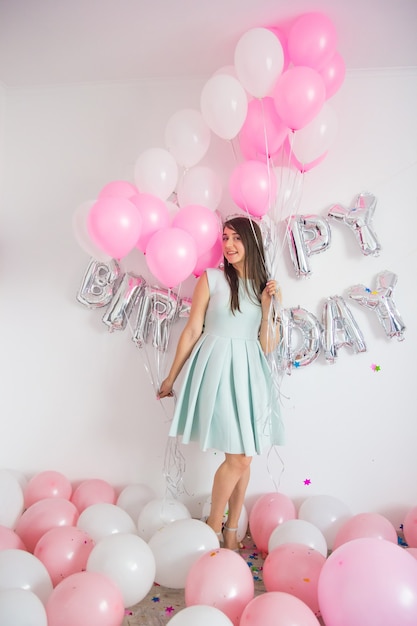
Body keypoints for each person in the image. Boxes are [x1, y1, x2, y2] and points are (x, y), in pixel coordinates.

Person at [158, 215, 284, 551]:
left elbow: (268, 345)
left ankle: (230, 529)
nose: (228, 246)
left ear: (252, 243)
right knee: (238, 457)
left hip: (249, 373)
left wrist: (269, 305)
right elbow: (192, 330)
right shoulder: (211, 279)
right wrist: (172, 375)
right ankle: (212, 529)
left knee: (245, 456)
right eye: (225, 238)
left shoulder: (263, 287)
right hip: (215, 367)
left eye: (236, 239)